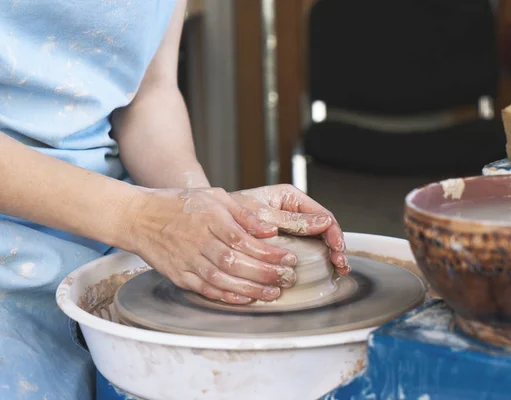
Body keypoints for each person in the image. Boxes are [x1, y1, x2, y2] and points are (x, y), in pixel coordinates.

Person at [0, 1, 349, 398]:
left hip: (120, 229)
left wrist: (203, 210)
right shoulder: (135, 217)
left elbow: (148, 94)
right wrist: (139, 217)